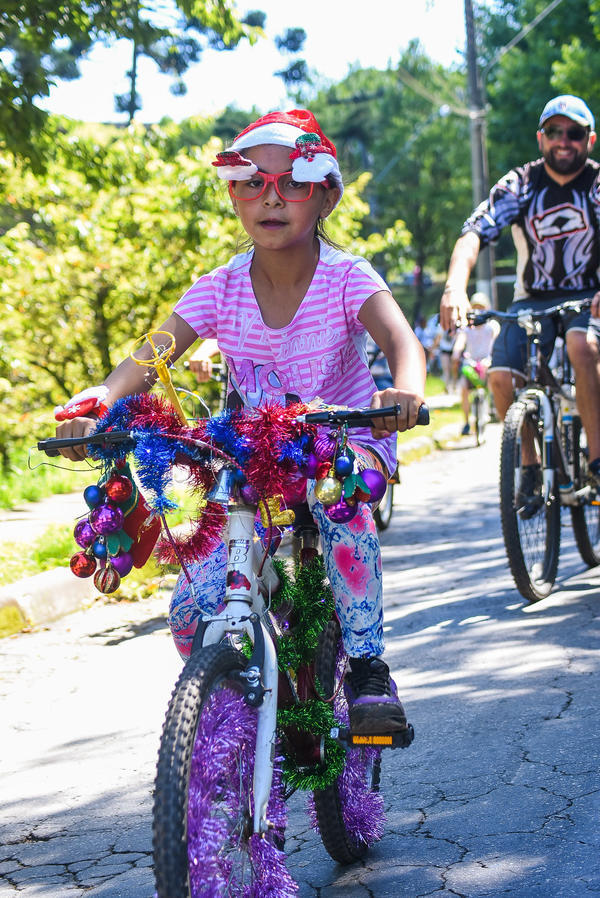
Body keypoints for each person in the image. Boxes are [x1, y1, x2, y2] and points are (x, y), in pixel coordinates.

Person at [55, 108, 426, 736]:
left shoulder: (346, 276)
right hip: (251, 454)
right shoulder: (220, 287)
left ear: (325, 195)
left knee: (342, 504)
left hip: (342, 443)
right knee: (190, 610)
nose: (270, 198)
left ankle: (366, 669)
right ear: (232, 196)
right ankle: (241, 695)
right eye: (251, 182)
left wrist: (407, 391)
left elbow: (401, 343)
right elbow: (154, 351)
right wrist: (102, 397)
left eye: (292, 182)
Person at [440, 94, 600, 510]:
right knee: (499, 376)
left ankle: (598, 462)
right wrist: (454, 287)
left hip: (590, 295)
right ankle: (529, 462)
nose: (564, 141)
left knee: (583, 347)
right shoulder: (521, 184)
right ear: (540, 138)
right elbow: (474, 233)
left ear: (590, 139)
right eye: (554, 132)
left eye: (574, 133)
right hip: (531, 298)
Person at [451, 292, 499, 434]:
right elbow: (460, 342)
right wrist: (456, 353)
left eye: (481, 307)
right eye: (475, 307)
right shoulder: (467, 327)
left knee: (493, 379)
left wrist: (490, 359)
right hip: (471, 363)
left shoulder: (492, 326)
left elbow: (496, 340)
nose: (478, 311)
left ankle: (493, 407)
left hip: (487, 362)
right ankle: (466, 422)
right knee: (464, 389)